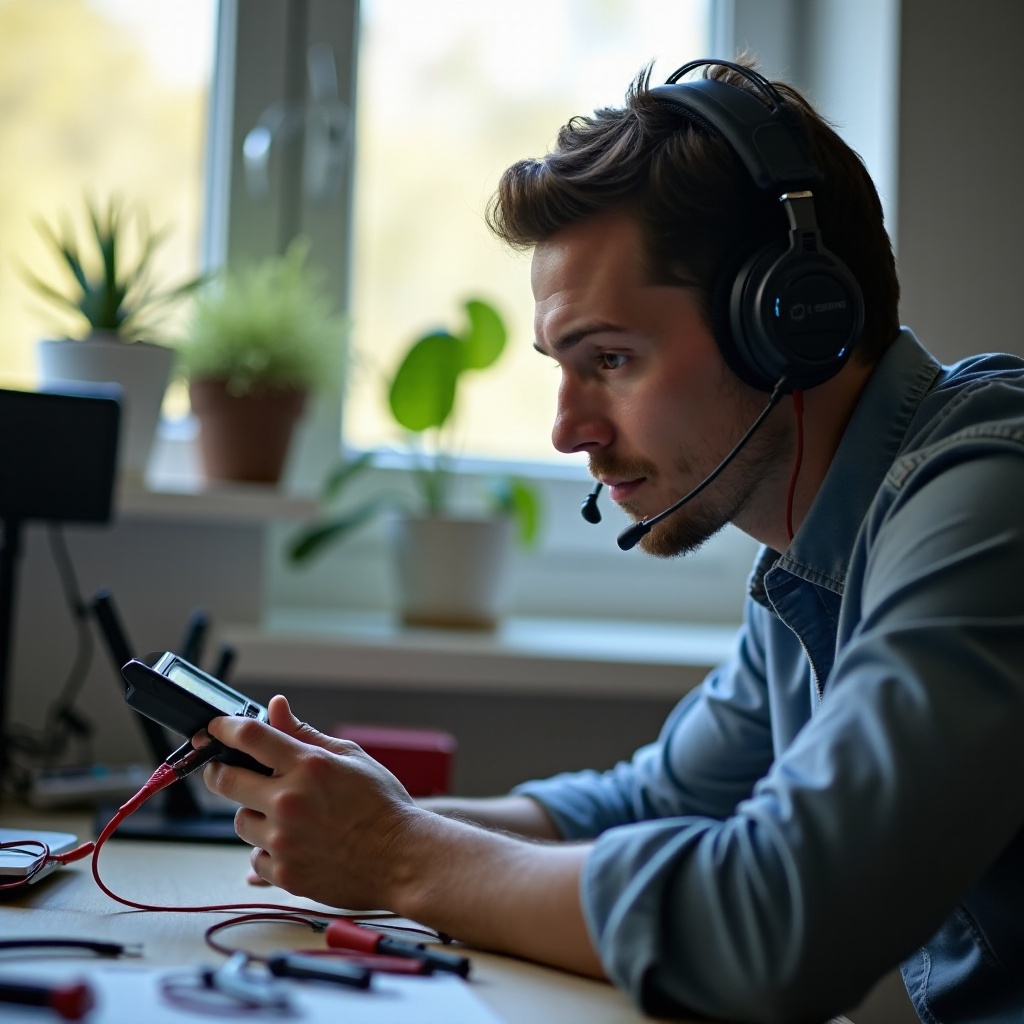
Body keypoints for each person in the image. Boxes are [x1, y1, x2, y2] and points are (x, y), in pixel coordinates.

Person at [201, 59, 1024, 1024]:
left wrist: (396, 854)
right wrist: (374, 813)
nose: (567, 430)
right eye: (564, 366)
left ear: (791, 323)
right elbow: (649, 805)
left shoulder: (988, 496)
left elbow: (777, 925)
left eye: (614, 360)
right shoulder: (814, 558)